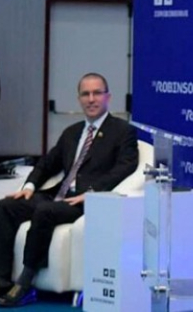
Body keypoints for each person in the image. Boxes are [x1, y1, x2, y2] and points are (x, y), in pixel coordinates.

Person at [0, 72, 138, 307]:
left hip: (85, 200)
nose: (91, 99)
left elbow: (125, 167)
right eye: (85, 94)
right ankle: (3, 281)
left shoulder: (122, 131)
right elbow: (47, 164)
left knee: (45, 211)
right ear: (79, 99)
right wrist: (29, 186)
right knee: (6, 207)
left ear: (108, 97)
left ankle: (25, 284)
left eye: (97, 93)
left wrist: (92, 191)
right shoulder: (72, 133)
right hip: (58, 195)